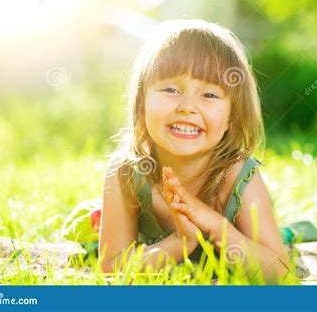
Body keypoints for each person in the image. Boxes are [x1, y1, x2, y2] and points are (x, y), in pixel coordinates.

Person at [62, 19, 290, 283]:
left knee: (273, 236)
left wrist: (215, 225)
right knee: (85, 228)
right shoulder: (126, 172)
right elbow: (112, 268)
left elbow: (280, 273)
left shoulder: (237, 175)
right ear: (141, 104)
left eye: (209, 95)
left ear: (232, 118)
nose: (187, 107)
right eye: (171, 89)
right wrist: (181, 241)